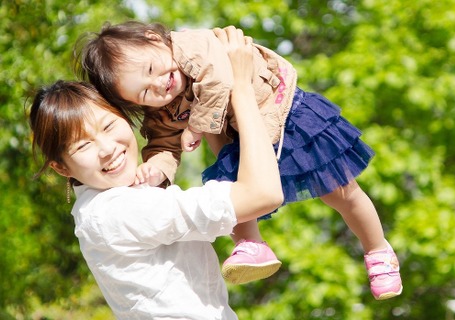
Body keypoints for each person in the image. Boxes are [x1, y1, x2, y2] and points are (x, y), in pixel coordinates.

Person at [75, 21, 402, 300]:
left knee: (341, 192)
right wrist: (156, 171)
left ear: (154, 39)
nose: (159, 84)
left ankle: (378, 251)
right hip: (246, 138)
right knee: (228, 185)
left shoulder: (191, 46)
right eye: (145, 93)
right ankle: (251, 245)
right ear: (136, 104)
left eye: (151, 69)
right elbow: (162, 144)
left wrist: (197, 125)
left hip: (286, 115)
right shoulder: (163, 110)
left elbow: (219, 78)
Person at [28, 27, 283, 319]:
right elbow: (264, 193)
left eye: (109, 127)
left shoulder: (119, 199)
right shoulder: (116, 211)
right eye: (84, 145)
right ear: (60, 167)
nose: (107, 149)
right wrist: (240, 85)